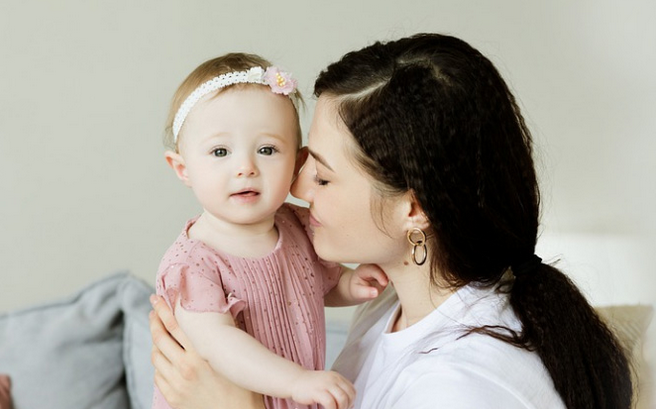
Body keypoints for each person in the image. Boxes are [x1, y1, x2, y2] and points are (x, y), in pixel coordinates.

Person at [150, 35, 633, 409]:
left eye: (322, 175)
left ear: (413, 209)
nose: (295, 189)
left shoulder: (460, 388)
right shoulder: (390, 307)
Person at [152, 52, 388, 409]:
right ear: (182, 168)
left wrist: (348, 284)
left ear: (297, 162)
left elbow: (314, 284)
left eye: (266, 149)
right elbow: (217, 344)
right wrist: (295, 381)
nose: (245, 167)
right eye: (220, 151)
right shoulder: (193, 263)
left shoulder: (296, 225)